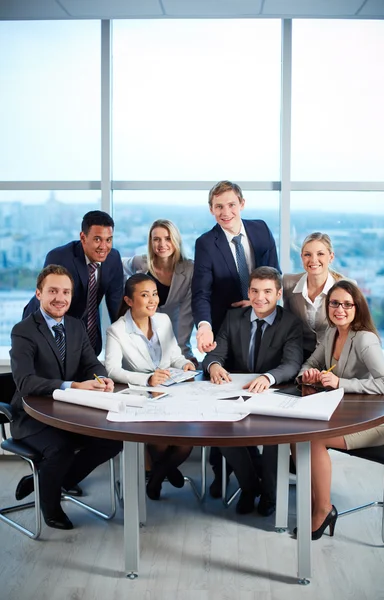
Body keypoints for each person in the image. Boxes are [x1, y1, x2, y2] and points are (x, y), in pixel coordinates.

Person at [10, 265, 122, 530]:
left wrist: (100, 377)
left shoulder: (75, 325)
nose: (60, 298)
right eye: (52, 291)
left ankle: (49, 480)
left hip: (70, 413)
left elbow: (90, 363)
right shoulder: (23, 330)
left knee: (112, 442)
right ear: (39, 293)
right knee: (59, 450)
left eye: (66, 292)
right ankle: (50, 506)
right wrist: (72, 386)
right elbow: (25, 382)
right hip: (31, 417)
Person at [192, 180, 281, 495]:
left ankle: (260, 473)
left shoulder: (260, 230)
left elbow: (275, 274)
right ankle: (222, 473)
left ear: (242, 203)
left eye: (231, 205)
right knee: (221, 400)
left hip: (261, 320)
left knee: (258, 395)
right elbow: (200, 291)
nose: (225, 212)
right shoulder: (206, 243)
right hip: (225, 326)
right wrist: (204, 325)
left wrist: (259, 301)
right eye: (218, 207)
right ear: (211, 209)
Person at [296, 280, 384, 540]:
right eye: (334, 303)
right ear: (328, 307)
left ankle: (323, 510)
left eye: (347, 304)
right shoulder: (332, 334)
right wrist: (308, 374)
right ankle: (310, 504)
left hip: (374, 423)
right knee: (296, 439)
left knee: (313, 440)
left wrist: (341, 382)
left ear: (357, 308)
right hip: (346, 415)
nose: (340, 309)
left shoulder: (364, 339)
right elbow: (310, 362)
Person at [203, 267, 303, 516]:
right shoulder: (233, 318)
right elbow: (215, 354)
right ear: (248, 291)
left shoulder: (291, 323)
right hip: (236, 393)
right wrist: (214, 365)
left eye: (268, 291)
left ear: (278, 293)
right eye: (255, 291)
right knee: (221, 432)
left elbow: (292, 364)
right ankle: (249, 488)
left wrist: (268, 377)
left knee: (274, 440)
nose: (260, 297)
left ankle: (269, 495)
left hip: (273, 393)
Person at [105, 273, 196, 500]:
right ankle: (162, 474)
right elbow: (112, 370)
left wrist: (185, 365)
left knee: (187, 443)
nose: (152, 300)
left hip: (172, 391)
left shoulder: (163, 320)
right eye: (145, 295)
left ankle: (157, 476)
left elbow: (175, 356)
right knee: (161, 443)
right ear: (129, 301)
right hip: (143, 396)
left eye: (154, 294)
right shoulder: (116, 330)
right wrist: (146, 380)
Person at [23, 210, 124, 356]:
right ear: (83, 237)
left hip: (88, 330)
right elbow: (50, 303)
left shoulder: (113, 258)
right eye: (97, 239)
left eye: (108, 240)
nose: (104, 246)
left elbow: (117, 305)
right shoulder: (60, 257)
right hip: (45, 324)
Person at [122, 219, 196, 363]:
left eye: (168, 238)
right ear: (150, 242)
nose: (162, 244)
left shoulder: (189, 269)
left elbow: (186, 315)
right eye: (156, 239)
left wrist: (184, 355)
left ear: (176, 240)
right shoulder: (141, 263)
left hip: (174, 335)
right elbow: (116, 266)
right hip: (141, 337)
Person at [283, 232, 345, 360]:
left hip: (334, 357)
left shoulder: (346, 287)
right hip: (298, 357)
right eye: (307, 255)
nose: (313, 260)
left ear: (331, 257)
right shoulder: (288, 283)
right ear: (301, 258)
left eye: (320, 254)